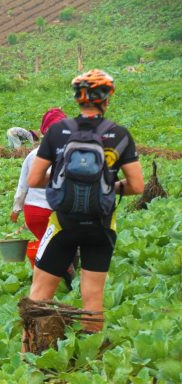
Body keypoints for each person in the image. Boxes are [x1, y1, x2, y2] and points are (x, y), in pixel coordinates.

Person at [26, 69, 144, 335]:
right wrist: (107, 187)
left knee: (39, 294)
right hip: (101, 226)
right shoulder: (119, 135)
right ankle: (91, 359)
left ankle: (28, 354)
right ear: (107, 99)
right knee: (92, 298)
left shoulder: (57, 132)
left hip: (64, 224)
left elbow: (34, 180)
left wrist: (62, 182)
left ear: (78, 98)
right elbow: (137, 186)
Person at [10, 108, 72, 285]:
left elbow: (23, 188)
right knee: (63, 251)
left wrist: (16, 210)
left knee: (48, 247)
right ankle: (67, 281)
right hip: (56, 213)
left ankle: (46, 280)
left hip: (33, 214)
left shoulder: (32, 155)